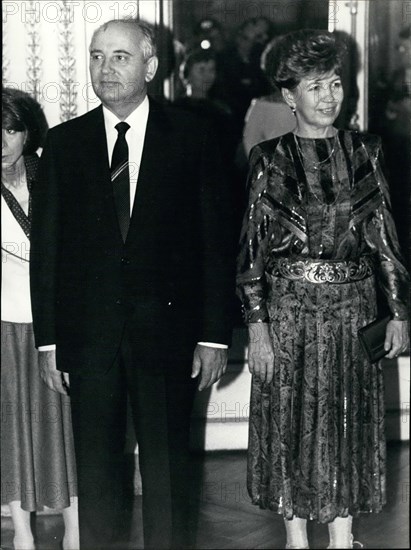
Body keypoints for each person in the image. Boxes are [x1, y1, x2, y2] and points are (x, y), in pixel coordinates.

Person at [29, 18, 234, 550]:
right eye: (97, 56)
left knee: (167, 471)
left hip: (167, 337)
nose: (106, 68)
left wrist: (213, 335)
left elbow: (215, 245)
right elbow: (46, 251)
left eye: (120, 56)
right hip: (88, 339)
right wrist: (48, 341)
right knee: (96, 474)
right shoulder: (64, 144)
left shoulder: (194, 138)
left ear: (150, 66)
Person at [236, 30, 409, 550]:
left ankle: (342, 539)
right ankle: (295, 540)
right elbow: (250, 254)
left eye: (335, 83)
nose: (329, 96)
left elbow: (385, 239)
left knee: (349, 419)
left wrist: (399, 310)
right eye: (315, 86)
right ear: (290, 96)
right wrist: (257, 328)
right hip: (288, 310)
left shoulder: (367, 151)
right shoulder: (268, 159)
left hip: (354, 310)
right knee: (289, 418)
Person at [1, 88, 79, 550]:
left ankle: (74, 528)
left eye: (12, 129)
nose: (3, 140)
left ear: (28, 133)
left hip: (56, 321)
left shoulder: (50, 173)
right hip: (5, 322)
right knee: (11, 426)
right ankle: (23, 533)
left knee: (65, 423)